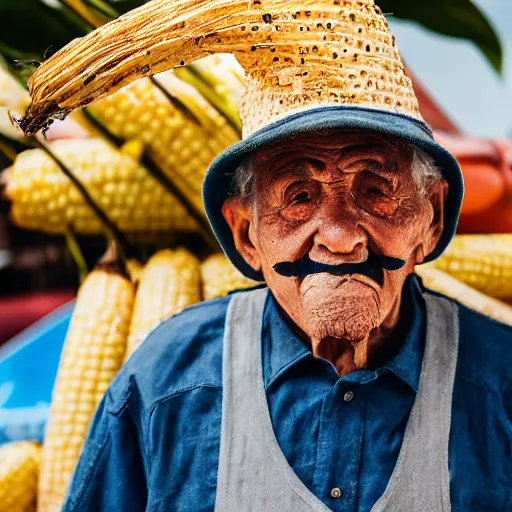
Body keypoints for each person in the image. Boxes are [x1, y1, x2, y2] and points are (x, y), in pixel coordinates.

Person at [18, 1, 512, 510]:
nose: (340, 238)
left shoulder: (501, 384)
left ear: (430, 217)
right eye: (299, 196)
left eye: (375, 190)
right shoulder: (167, 383)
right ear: (246, 234)